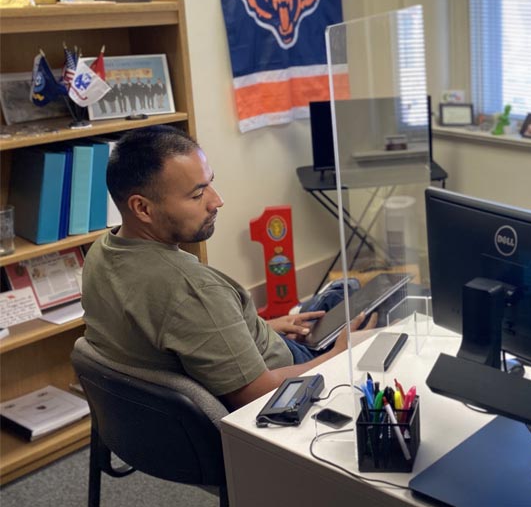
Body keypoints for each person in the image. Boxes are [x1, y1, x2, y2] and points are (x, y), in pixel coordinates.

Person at [81, 126, 376, 410]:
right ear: (142, 208)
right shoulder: (194, 291)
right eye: (197, 194)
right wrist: (341, 354)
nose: (217, 201)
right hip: (287, 376)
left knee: (340, 295)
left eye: (210, 182)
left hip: (238, 356)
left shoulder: (101, 252)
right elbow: (258, 394)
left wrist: (257, 328)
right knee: (359, 306)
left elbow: (181, 334)